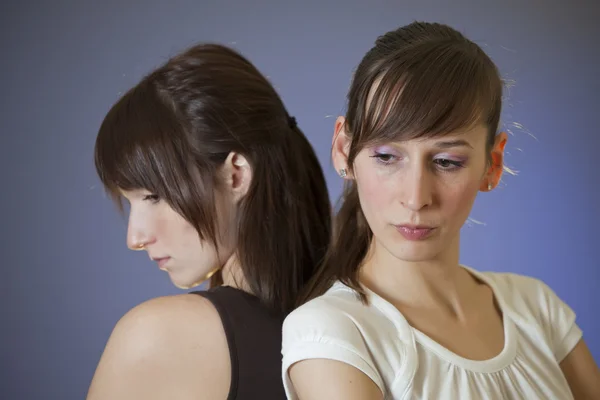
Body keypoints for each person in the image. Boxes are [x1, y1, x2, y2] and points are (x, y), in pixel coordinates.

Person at [281, 21, 600, 399]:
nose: (416, 198)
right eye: (386, 156)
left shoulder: (535, 307)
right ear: (343, 150)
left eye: (447, 162)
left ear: (492, 164)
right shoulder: (332, 331)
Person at [86, 43, 331, 400]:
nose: (135, 237)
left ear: (235, 175)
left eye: (153, 197)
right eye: (130, 203)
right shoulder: (349, 328)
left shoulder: (157, 335)